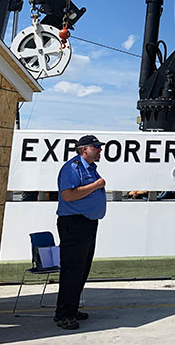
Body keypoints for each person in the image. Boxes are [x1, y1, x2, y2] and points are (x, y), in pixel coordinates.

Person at [55, 135, 107, 330]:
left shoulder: (91, 169)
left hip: (87, 224)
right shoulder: (73, 168)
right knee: (72, 269)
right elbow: (68, 195)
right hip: (74, 224)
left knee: (82, 268)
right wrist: (96, 185)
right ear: (84, 149)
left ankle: (72, 307)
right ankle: (64, 315)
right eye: (96, 147)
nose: (100, 150)